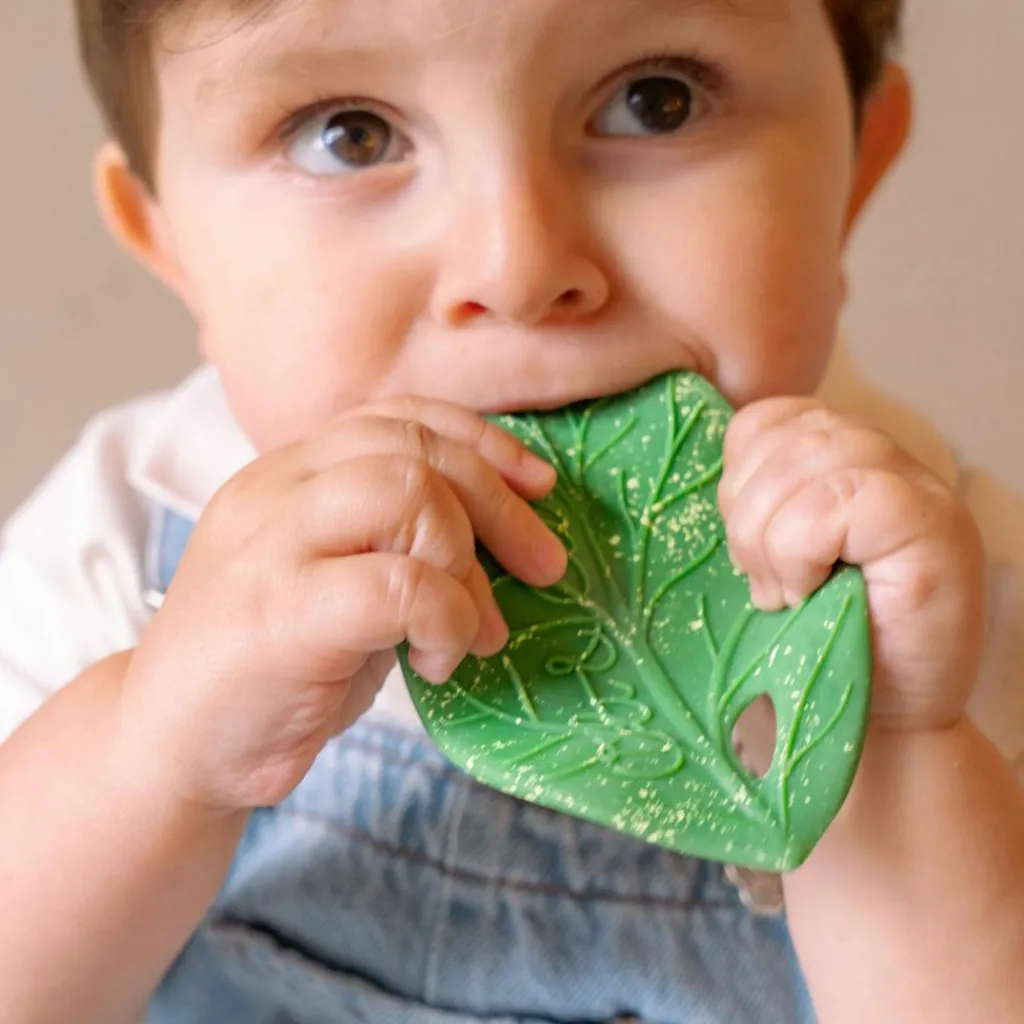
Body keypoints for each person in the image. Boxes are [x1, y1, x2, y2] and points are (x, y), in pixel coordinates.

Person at [1, 0, 1022, 1020]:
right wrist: (153, 750)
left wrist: (897, 748)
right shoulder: (128, 540)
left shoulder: (943, 604)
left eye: (652, 102)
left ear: (854, 170)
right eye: (350, 135)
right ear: (171, 243)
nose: (518, 267)